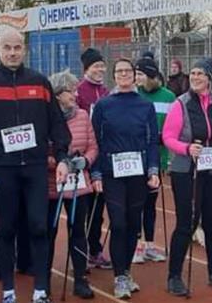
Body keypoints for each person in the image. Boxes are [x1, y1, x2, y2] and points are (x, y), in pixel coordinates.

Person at [0, 27, 71, 303]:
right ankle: (8, 290)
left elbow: (57, 125)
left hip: (36, 167)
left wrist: (62, 157)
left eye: (17, 47)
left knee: (39, 226)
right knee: (6, 229)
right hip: (3, 169)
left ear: (24, 49)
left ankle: (40, 289)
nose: (12, 53)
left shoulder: (40, 82)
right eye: (7, 48)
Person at [162, 57, 212, 296]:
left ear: (209, 78)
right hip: (186, 170)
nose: (195, 77)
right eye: (193, 73)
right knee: (187, 223)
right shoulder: (181, 104)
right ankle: (174, 276)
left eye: (201, 74)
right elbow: (168, 136)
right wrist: (186, 148)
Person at [90, 58, 160, 299]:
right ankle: (119, 277)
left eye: (127, 71)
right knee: (118, 223)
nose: (123, 75)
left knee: (132, 224)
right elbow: (95, 141)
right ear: (114, 76)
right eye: (118, 71)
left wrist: (153, 170)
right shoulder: (103, 106)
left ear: (134, 75)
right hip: (112, 173)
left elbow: (152, 140)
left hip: (138, 173)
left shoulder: (145, 106)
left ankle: (126, 271)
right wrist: (96, 173)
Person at [46, 70, 98, 299]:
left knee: (78, 231)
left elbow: (93, 146)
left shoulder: (83, 116)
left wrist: (85, 161)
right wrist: (58, 163)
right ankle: (43, 280)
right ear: (58, 94)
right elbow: (41, 152)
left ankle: (80, 278)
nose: (76, 95)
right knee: (48, 232)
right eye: (71, 91)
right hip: (52, 186)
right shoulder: (45, 118)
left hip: (79, 185)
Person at [132, 55, 174, 264]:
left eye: (140, 74)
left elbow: (172, 127)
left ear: (150, 75)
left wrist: (163, 144)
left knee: (151, 203)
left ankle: (149, 244)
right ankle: (136, 245)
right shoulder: (132, 94)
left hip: (157, 157)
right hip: (135, 157)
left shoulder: (168, 97)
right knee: (136, 202)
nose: (136, 78)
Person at [75, 47, 112, 270]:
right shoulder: (80, 91)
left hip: (104, 155)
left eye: (101, 66)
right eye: (95, 66)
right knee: (83, 207)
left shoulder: (107, 92)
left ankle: (95, 249)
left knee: (98, 208)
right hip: (85, 155)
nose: (99, 69)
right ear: (86, 68)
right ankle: (81, 251)